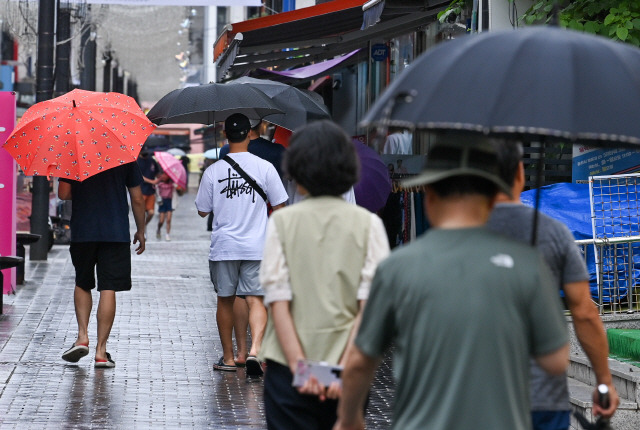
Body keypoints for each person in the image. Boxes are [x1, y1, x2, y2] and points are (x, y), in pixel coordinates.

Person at [334, 136, 570, 430]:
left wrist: (350, 417)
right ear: (491, 195)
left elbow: (361, 359)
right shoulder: (525, 264)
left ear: (429, 195)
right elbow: (556, 360)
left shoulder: (397, 267)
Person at [259, 121, 390, 430]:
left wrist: (302, 370)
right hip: (348, 368)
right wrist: (343, 368)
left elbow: (278, 302)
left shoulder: (283, 223)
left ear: (299, 170)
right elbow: (369, 306)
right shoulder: (369, 225)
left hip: (287, 368)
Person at [486, 140, 619, 428]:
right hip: (543, 396)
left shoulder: (459, 236)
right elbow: (584, 312)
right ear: (520, 174)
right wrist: (604, 383)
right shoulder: (553, 232)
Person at [195, 113, 288, 377]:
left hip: (224, 246)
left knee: (225, 299)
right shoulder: (265, 167)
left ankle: (228, 357)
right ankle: (255, 351)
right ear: (249, 133)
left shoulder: (214, 170)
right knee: (256, 298)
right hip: (257, 245)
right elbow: (280, 205)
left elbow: (202, 211)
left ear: (226, 136)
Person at [58, 162, 146, 368]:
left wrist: (85, 191)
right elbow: (138, 198)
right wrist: (141, 230)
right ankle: (101, 352)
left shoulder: (73, 153)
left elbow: (63, 193)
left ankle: (82, 337)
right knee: (108, 287)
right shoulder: (125, 156)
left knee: (82, 282)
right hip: (115, 231)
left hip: (83, 230)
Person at [137, 150, 159, 231]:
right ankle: (143, 230)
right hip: (141, 190)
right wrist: (152, 181)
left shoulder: (151, 160)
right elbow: (139, 175)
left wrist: (161, 178)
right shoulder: (137, 162)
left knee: (151, 212)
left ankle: (144, 225)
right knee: (141, 213)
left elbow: (156, 172)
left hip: (151, 191)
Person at [155, 172, 175, 241]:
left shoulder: (172, 184)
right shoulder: (160, 184)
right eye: (163, 174)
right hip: (162, 202)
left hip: (169, 202)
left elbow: (177, 191)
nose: (164, 176)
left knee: (168, 220)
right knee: (161, 220)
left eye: (166, 175)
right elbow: (155, 189)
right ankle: (159, 229)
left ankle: (167, 234)